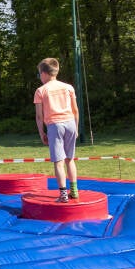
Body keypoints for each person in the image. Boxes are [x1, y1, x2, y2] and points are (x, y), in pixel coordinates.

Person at [34, 57, 79, 203]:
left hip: (55, 125)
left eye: (39, 74)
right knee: (70, 159)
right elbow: (75, 110)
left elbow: (39, 116)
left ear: (44, 73)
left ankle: (63, 195)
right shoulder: (68, 87)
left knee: (58, 162)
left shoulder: (41, 90)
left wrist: (42, 133)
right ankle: (74, 191)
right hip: (70, 123)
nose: (40, 77)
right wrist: (76, 128)